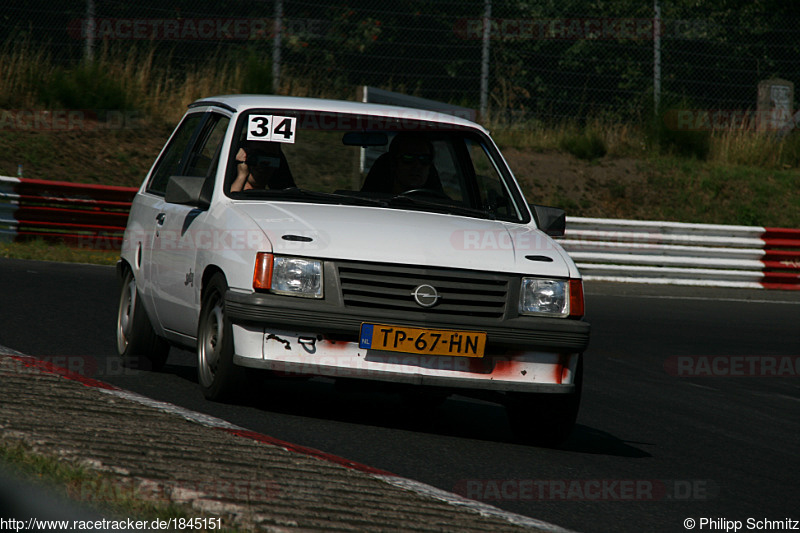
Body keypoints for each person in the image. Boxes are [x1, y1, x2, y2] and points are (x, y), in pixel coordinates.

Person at [361, 133, 441, 195]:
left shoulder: (444, 210)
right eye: (408, 158)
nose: (417, 166)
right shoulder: (368, 207)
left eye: (424, 159)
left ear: (430, 167)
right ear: (393, 164)